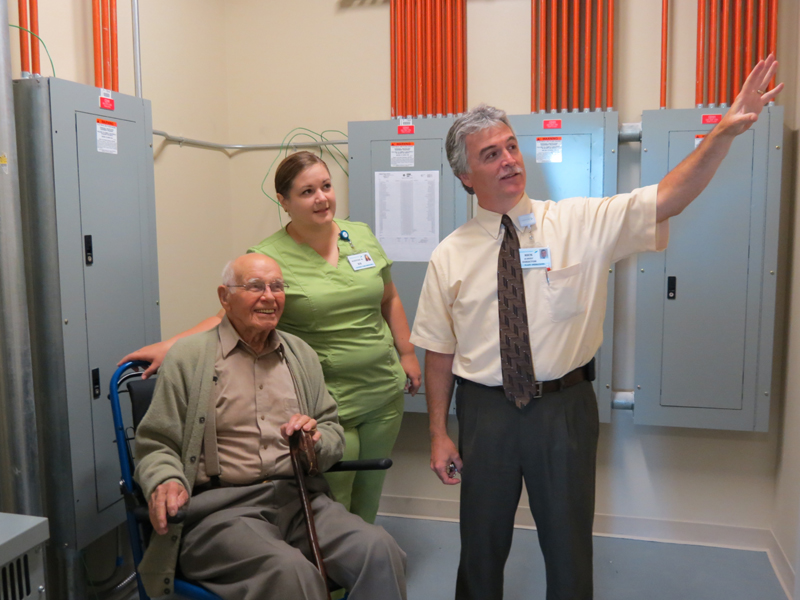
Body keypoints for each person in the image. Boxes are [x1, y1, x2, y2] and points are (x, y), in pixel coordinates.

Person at [409, 57, 783, 600]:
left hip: (564, 410)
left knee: (568, 546)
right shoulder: (449, 255)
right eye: (491, 155)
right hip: (485, 413)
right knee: (480, 545)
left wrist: (721, 135)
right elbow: (438, 351)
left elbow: (668, 196)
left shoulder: (579, 222)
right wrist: (440, 432)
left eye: (512, 146)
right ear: (466, 176)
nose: (510, 160)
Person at [122, 151, 421, 524]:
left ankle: (362, 566)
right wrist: (171, 346)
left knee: (370, 493)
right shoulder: (268, 255)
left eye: (326, 187)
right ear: (284, 201)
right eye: (307, 191)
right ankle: (333, 582)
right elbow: (228, 313)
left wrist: (406, 354)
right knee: (335, 501)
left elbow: (388, 296)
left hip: (382, 390)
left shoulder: (359, 234)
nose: (322, 198)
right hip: (328, 403)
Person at [134, 253, 407, 600]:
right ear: (224, 297)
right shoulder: (190, 358)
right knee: (290, 573)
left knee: (378, 549)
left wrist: (316, 441)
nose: (269, 296)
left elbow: (331, 429)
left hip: (300, 501)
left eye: (277, 287)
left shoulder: (301, 354)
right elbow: (157, 442)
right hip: (221, 513)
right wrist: (165, 479)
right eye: (255, 286)